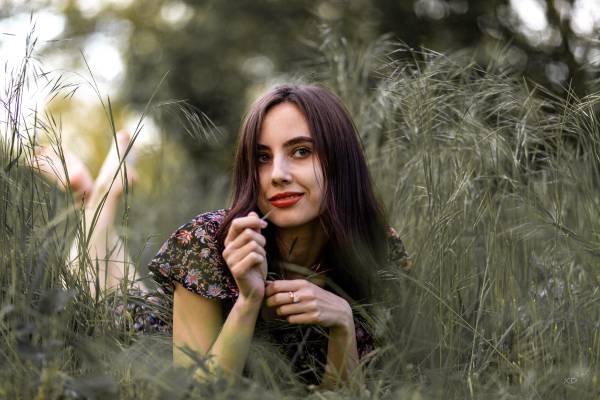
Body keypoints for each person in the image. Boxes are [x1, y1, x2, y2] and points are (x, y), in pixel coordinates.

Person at [147, 84, 410, 388]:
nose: (277, 175)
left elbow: (343, 395)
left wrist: (344, 328)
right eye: (262, 157)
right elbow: (195, 394)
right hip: (148, 327)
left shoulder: (379, 251)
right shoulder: (206, 242)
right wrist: (248, 300)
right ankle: (102, 201)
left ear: (341, 161)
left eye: (301, 152)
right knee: (108, 287)